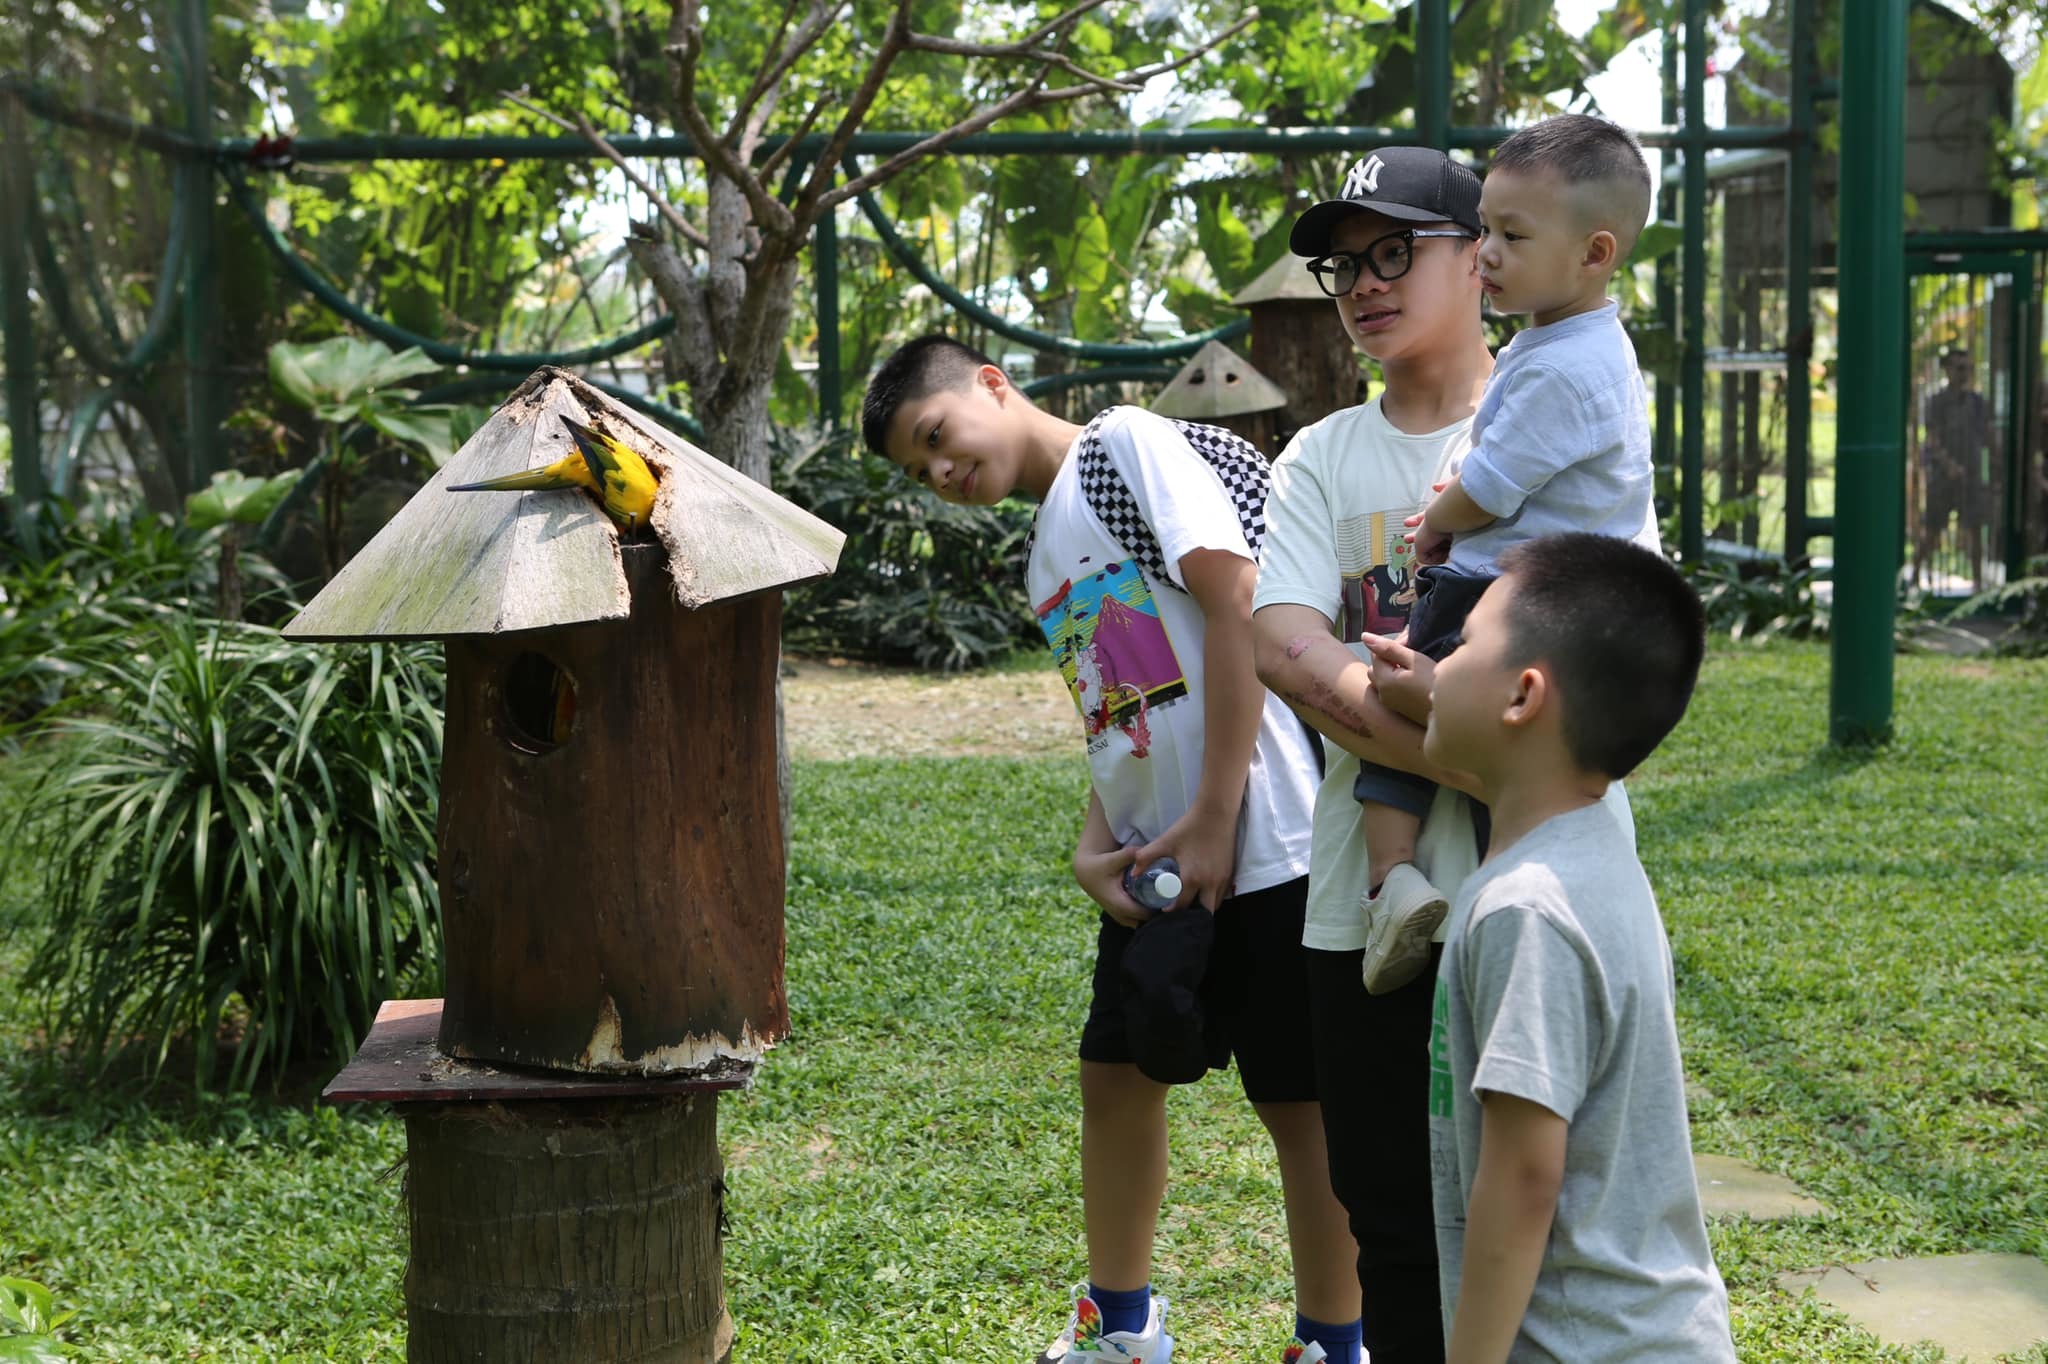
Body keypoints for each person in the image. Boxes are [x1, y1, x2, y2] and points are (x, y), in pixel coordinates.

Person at [861, 337, 1362, 1364]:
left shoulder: (1121, 447)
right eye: (922, 473)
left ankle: (1332, 1341)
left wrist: (1219, 814)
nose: (943, 475)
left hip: (1269, 841)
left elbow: (1234, 602)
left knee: (1296, 1105)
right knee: (1115, 1075)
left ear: (990, 384)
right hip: (1159, 865)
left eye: (936, 437)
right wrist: (1098, 847)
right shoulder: (1046, 546)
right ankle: (1120, 1327)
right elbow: (1122, 708)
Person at [1251, 144, 1640, 1362]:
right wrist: (1465, 732)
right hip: (1359, 916)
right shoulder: (1319, 454)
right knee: (1387, 1217)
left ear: (1481, 251)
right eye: (1338, 265)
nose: (1361, 283)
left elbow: (1604, 666)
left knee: (1540, 1207)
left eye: (1390, 251)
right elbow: (1278, 644)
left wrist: (1437, 738)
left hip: (1536, 892)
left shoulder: (1566, 406)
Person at [1350, 114, 1659, 998]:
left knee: (1392, 699)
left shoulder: (1569, 365)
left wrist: (1436, 522)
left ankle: (1392, 881)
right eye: (1485, 228)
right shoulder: (1565, 341)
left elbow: (1494, 481)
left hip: (1502, 591)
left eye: (1513, 237)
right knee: (1514, 764)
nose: (1486, 252)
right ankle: (1498, 890)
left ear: (1595, 252)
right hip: (1555, 598)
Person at [1419, 531, 1734, 1362]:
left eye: (1462, 643)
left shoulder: (1526, 910)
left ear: (1522, 696)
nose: (1437, 662)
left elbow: (1523, 1178)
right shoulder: (1594, 856)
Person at [1918, 347, 1993, 584]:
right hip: (1942, 476)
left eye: (1969, 369)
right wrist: (1949, 465)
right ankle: (1914, 579)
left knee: (1974, 530)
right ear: (1947, 370)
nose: (1965, 374)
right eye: (1960, 368)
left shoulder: (1978, 402)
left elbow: (1988, 436)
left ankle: (1979, 585)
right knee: (1932, 530)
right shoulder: (1936, 401)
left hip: (1970, 475)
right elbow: (1932, 438)